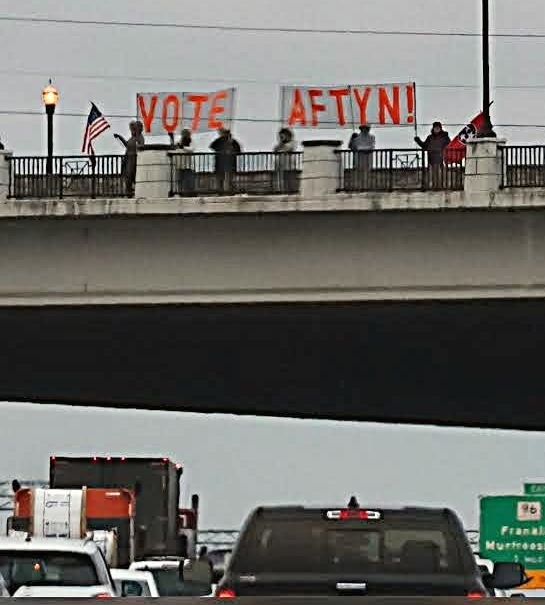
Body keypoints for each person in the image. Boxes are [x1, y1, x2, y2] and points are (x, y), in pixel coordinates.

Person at [414, 122, 451, 189]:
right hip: (431, 160)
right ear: (433, 128)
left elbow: (449, 146)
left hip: (441, 159)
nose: (436, 129)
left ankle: (441, 187)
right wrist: (418, 141)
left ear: (440, 128)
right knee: (432, 175)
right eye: (435, 128)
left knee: (441, 175)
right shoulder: (430, 137)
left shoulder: (445, 137)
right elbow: (425, 146)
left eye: (438, 128)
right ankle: (434, 187)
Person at [114, 120, 145, 196]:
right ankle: (128, 191)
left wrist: (138, 146)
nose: (132, 130)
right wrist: (119, 137)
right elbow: (126, 144)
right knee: (128, 176)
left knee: (132, 175)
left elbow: (141, 145)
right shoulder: (132, 138)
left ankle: (132, 191)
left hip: (134, 158)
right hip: (128, 159)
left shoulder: (139, 137)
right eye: (131, 128)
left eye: (133, 128)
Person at [209, 128, 241, 194]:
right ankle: (224, 191)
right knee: (223, 178)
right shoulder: (221, 140)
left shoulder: (231, 141)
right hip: (223, 163)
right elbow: (212, 146)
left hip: (227, 163)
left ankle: (226, 191)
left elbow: (238, 151)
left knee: (227, 178)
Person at [169, 129, 195, 195]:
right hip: (179, 165)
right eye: (183, 133)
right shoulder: (179, 141)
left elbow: (192, 149)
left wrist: (182, 147)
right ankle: (180, 193)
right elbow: (173, 147)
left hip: (187, 165)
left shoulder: (190, 141)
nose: (184, 135)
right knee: (179, 180)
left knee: (188, 182)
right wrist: (171, 138)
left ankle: (189, 193)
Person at [349, 125, 376, 189]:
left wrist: (361, 149)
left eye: (367, 128)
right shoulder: (356, 138)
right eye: (365, 128)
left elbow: (372, 147)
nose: (366, 130)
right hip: (359, 157)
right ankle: (358, 187)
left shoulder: (372, 137)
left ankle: (366, 187)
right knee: (358, 172)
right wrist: (352, 140)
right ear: (361, 129)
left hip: (367, 157)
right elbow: (353, 147)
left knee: (367, 173)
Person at [273, 128, 297, 193]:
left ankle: (289, 191)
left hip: (288, 165)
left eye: (282, 136)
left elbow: (288, 148)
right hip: (280, 165)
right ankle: (280, 190)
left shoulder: (292, 143)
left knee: (288, 179)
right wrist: (281, 144)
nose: (281, 138)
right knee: (280, 179)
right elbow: (275, 150)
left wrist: (281, 146)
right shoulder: (280, 144)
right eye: (280, 136)